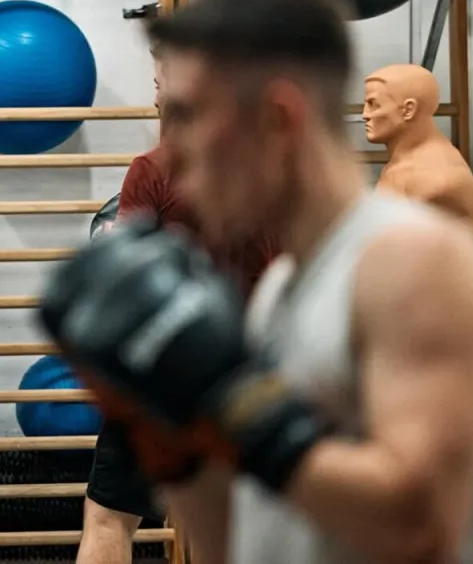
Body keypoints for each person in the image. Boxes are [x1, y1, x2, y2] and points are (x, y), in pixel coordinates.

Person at [39, 0, 473, 564]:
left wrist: (233, 406)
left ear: (276, 120)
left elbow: (418, 527)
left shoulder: (411, 261)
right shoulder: (282, 288)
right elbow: (240, 543)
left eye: (188, 116)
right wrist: (171, 441)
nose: (172, 152)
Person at [78, 47, 281, 564]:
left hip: (167, 376)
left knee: (109, 518)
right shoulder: (266, 170)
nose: (154, 89)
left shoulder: (155, 169)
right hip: (248, 372)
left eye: (160, 78)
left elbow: (126, 281)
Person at [363, 63, 473, 235]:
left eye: (373, 104)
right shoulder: (406, 161)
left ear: (408, 110)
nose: (364, 114)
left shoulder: (434, 179)